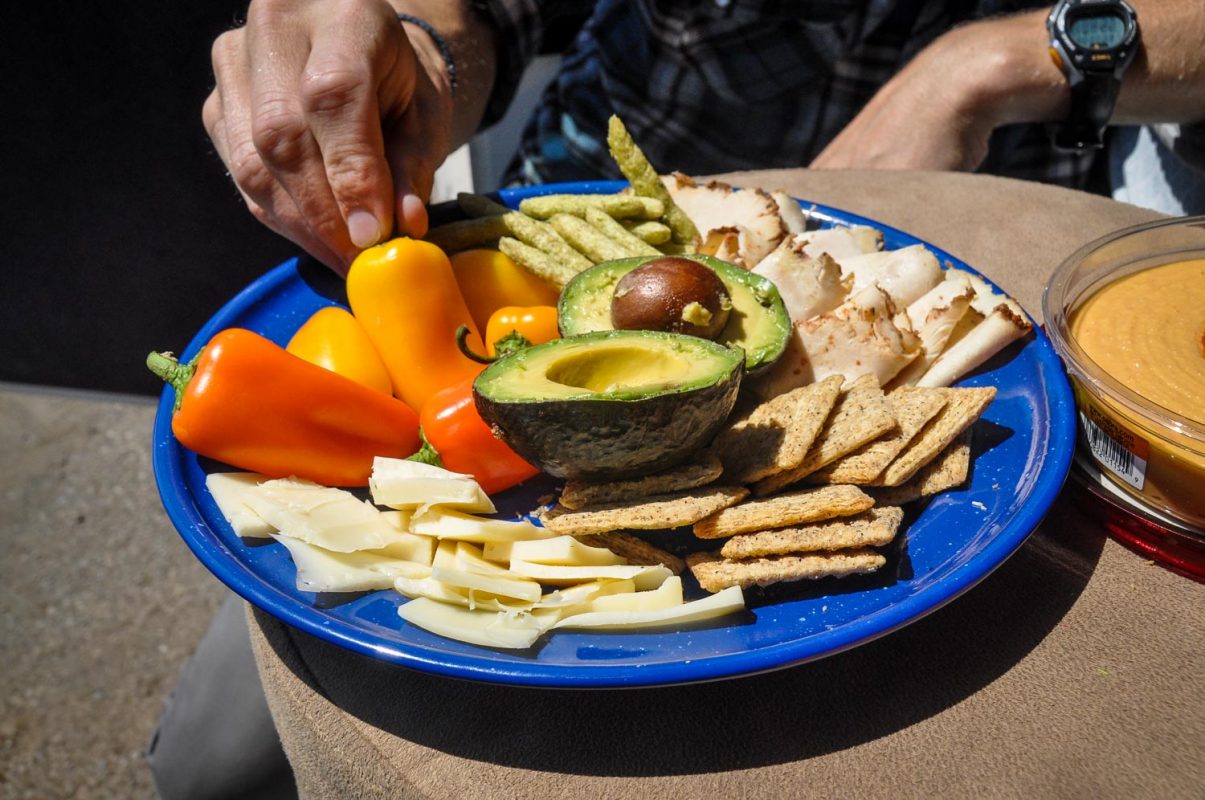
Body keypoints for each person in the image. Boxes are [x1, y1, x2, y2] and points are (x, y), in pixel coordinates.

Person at [154, 1, 1204, 797]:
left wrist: (999, 60)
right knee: (209, 760)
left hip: (987, 192)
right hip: (583, 207)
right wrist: (420, 45)